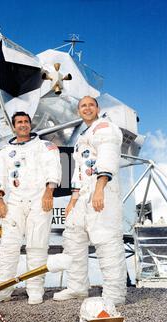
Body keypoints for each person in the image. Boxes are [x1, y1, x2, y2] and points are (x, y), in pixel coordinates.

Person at [53, 96, 127, 306]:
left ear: (97, 108)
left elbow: (107, 157)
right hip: (83, 195)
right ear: (79, 111)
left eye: (90, 105)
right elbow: (79, 170)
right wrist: (72, 199)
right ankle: (77, 287)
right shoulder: (83, 136)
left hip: (102, 191)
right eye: (83, 106)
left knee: (106, 240)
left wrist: (100, 188)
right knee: (73, 237)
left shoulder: (105, 127)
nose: (87, 108)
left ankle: (114, 294)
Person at [0, 111, 62, 305]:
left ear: (30, 125)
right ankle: (3, 289)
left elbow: (53, 169)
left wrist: (49, 193)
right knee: (8, 247)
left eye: (25, 122)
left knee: (37, 245)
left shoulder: (45, 146)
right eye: (19, 122)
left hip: (39, 200)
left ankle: (35, 289)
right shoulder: (3, 153)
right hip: (14, 202)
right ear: (14, 127)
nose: (22, 125)